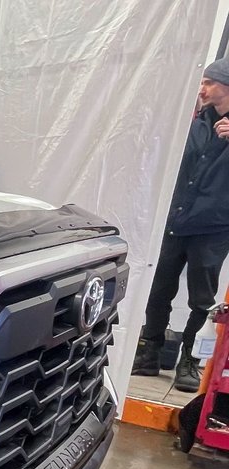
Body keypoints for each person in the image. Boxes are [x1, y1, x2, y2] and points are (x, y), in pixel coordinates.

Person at [133, 58, 229, 392]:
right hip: (175, 222)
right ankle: (150, 352)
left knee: (202, 298)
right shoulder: (195, 123)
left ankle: (189, 360)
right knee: (159, 289)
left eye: (208, 82)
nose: (201, 89)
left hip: (214, 227)